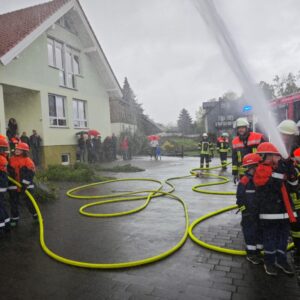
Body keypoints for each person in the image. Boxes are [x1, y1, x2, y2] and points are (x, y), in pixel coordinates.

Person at [254, 142, 297, 276]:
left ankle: (282, 260)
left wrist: (291, 173)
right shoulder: (261, 169)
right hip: (270, 213)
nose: (279, 158)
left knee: (283, 238)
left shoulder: (280, 168)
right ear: (268, 156)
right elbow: (269, 187)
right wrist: (281, 171)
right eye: (277, 156)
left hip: (284, 212)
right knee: (270, 238)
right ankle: (270, 262)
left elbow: (293, 186)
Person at [236, 153, 263, 264]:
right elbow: (239, 199)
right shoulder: (245, 181)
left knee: (258, 231)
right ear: (252, 167)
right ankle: (251, 254)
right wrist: (245, 211)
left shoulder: (260, 179)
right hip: (248, 214)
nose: (259, 168)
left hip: (258, 212)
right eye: (257, 166)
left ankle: (257, 251)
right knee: (250, 232)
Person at [7, 142, 37, 226]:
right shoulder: (11, 159)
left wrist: (24, 184)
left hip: (26, 186)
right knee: (13, 203)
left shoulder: (28, 161)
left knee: (30, 202)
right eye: (16, 149)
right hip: (14, 185)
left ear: (24, 151)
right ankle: (14, 219)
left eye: (19, 149)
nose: (17, 150)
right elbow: (8, 171)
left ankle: (36, 216)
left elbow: (30, 174)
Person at [232, 118, 266, 184]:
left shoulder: (258, 137)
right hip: (243, 174)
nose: (240, 129)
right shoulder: (235, 141)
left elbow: (265, 154)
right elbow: (234, 159)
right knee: (244, 192)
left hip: (257, 171)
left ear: (247, 128)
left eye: (242, 127)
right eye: (239, 128)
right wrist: (235, 173)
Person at [0, 137, 10, 234]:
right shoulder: (3, 157)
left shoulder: (1, 159)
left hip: (0, 186)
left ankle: (1, 227)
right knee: (2, 205)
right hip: (2, 186)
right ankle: (7, 224)